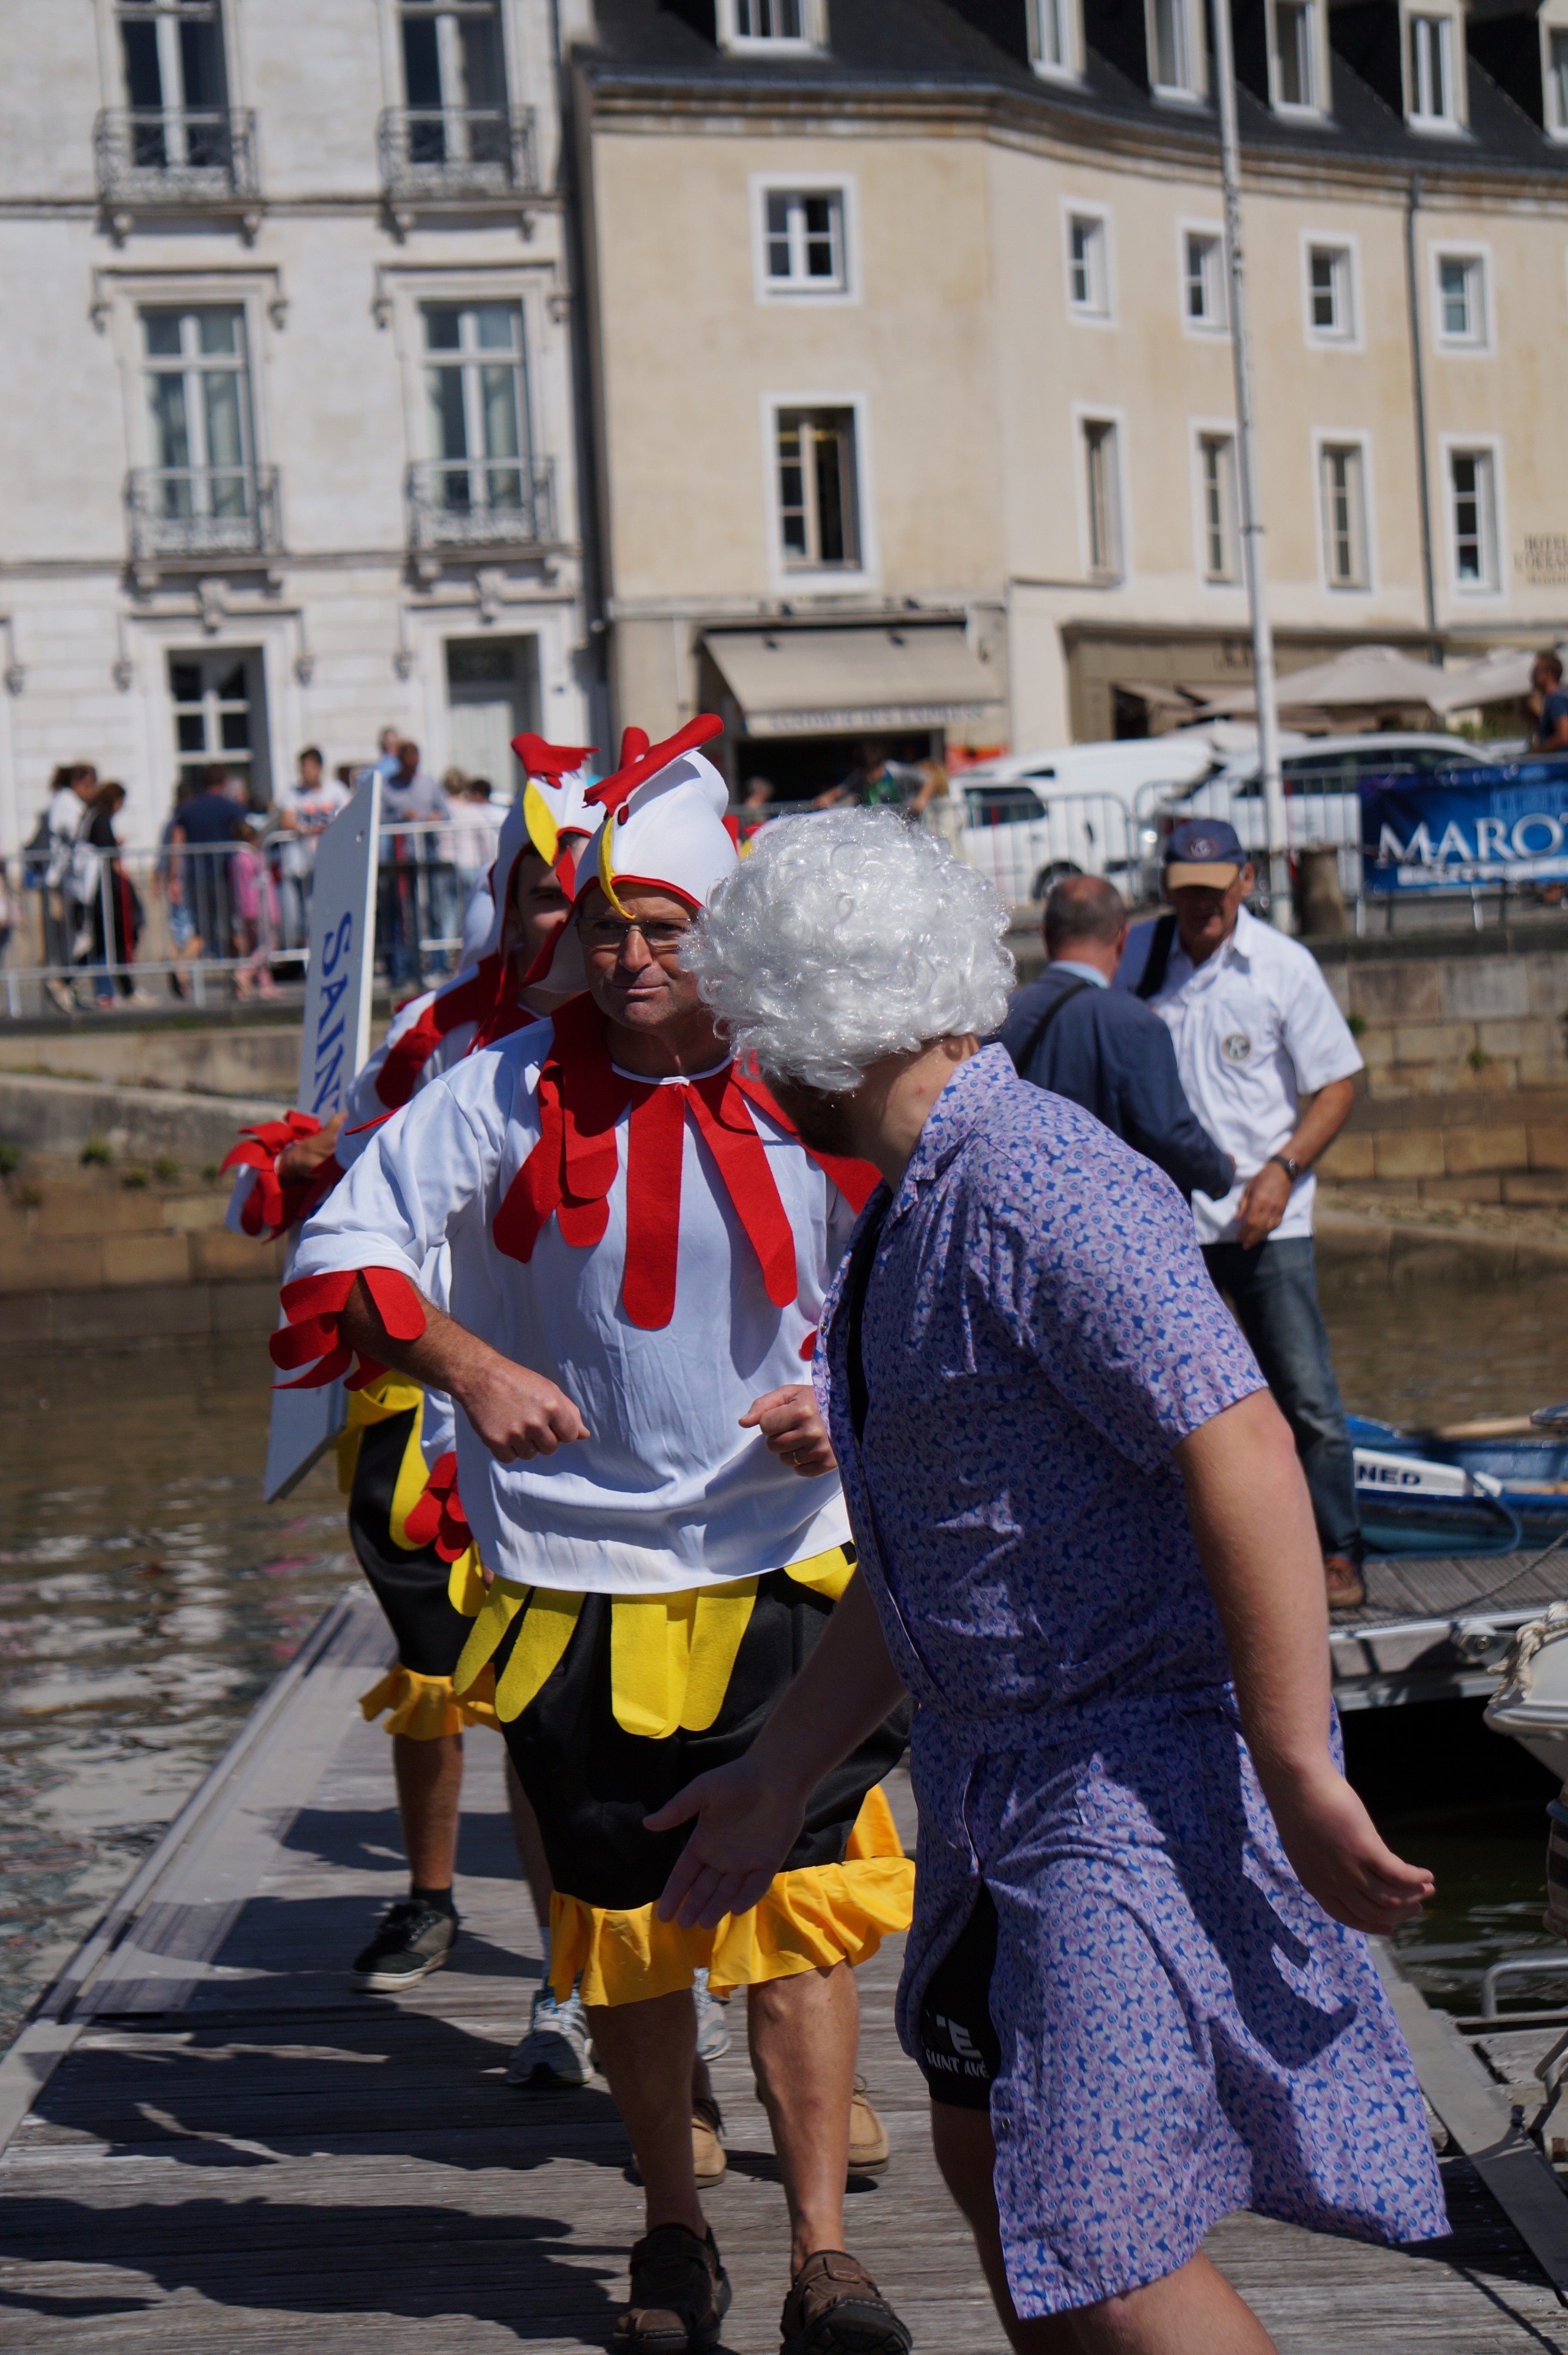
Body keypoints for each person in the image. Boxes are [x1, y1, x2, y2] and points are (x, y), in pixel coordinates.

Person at [658, 807, 1447, 2355]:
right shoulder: (912, 1205)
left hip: (1116, 1773)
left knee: (1098, 2235)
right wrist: (780, 1766)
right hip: (986, 1782)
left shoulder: (1035, 1185)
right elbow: (939, 1545)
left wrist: (1294, 1764)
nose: (743, 1066)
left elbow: (1240, 1448)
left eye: (752, 1028)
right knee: (998, 2171)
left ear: (817, 1026)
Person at [280, 719, 915, 2355]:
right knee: (626, 1936)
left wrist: (851, 1400)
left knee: (793, 1918)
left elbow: (930, 1274)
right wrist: (464, 1363)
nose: (629, 957)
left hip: (789, 1564)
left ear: (722, 938)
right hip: (575, 1581)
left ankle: (824, 2257)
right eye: (606, 928)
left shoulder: (812, 1080)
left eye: (663, 929)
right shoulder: (497, 1085)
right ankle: (670, 2233)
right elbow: (336, 1250)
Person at [226, 741, 602, 2047]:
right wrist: (288, 1176)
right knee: (437, 1672)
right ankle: (433, 1895)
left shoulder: (648, 1024)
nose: (564, 917)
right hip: (414, 1391)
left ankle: (572, 1981)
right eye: (541, 894)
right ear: (502, 900)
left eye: (584, 891)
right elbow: (323, 1193)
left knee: (554, 1696)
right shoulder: (433, 1031)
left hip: (576, 1402)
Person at [1116, 823, 1367, 1609]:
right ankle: (1190, 1563)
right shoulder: (1137, 960)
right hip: (1169, 1224)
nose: (1200, 905)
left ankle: (1338, 1552)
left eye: (1213, 888)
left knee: (1305, 1397)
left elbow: (1335, 1086)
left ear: (1244, 882)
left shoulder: (1282, 966)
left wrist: (1283, 1170)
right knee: (1171, 1407)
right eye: (1185, 889)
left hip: (1269, 1220)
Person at [999, 874, 1234, 1200]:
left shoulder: (1001, 1017)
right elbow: (1168, 1134)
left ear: (1046, 938)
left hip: (1025, 1214)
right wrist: (1220, 1173)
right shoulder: (1135, 1023)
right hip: (1111, 1228)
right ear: (1122, 938)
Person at [379, 741, 452, 987]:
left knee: (433, 910)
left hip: (428, 857)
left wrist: (431, 817)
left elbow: (445, 813)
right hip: (399, 859)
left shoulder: (429, 784)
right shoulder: (387, 787)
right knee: (401, 914)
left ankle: (438, 964)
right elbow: (378, 818)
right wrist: (400, 817)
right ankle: (401, 969)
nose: (412, 771)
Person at [168, 763, 249, 977]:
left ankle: (182, 968)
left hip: (197, 877)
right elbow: (246, 834)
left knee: (201, 930)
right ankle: (239, 978)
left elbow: (177, 843)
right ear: (224, 783)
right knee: (233, 928)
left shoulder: (187, 809)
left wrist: (174, 877)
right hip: (225, 876)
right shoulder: (231, 808)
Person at [78, 782, 151, 1007]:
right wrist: (116, 847)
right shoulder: (100, 818)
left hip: (103, 888)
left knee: (110, 939)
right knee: (111, 938)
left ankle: (116, 990)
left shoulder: (92, 816)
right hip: (104, 889)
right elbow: (106, 851)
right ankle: (106, 990)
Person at [1530, 650, 1568, 754]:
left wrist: (1537, 752)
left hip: (1560, 765)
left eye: (1537, 671)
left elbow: (1564, 736)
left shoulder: (1557, 699)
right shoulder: (1555, 698)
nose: (1532, 676)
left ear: (1550, 674)